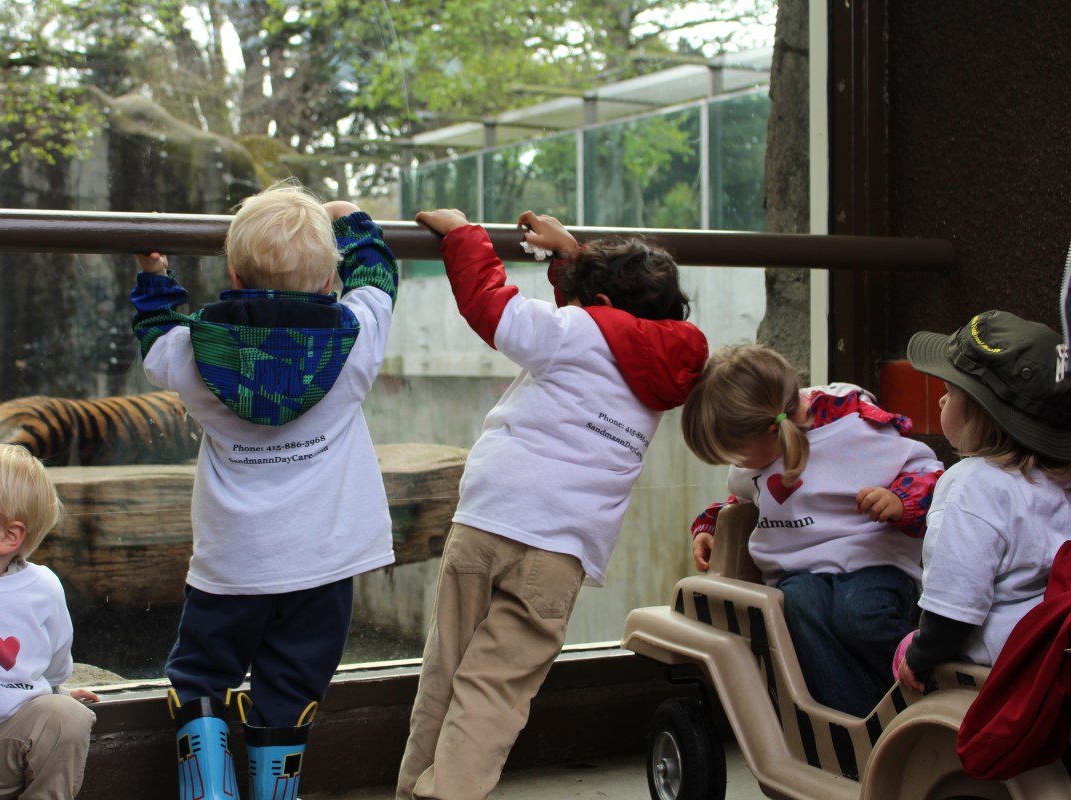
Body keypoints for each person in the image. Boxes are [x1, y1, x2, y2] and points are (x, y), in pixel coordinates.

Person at [396, 208, 709, 800]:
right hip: (561, 552)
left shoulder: (574, 332)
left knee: (446, 670)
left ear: (597, 302)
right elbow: (613, 328)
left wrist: (463, 235)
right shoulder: (668, 373)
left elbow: (492, 307)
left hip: (490, 518)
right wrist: (573, 258)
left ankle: (412, 788)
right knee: (494, 691)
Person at [129, 181, 398, 799]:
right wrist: (350, 219)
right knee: (294, 680)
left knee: (201, 673)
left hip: (233, 561)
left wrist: (154, 274)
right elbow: (377, 275)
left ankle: (208, 792)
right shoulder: (357, 339)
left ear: (233, 275)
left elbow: (156, 331)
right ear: (329, 282)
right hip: (324, 560)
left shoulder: (193, 352)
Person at [680, 343, 944, 717]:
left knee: (859, 617)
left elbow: (930, 474)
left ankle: (925, 690)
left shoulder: (854, 432)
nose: (736, 464)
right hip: (801, 571)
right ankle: (861, 721)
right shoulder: (759, 456)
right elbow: (746, 498)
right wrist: (709, 526)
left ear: (771, 432)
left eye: (737, 454)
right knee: (796, 608)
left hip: (872, 560)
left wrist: (901, 501)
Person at [895, 310, 1071, 691]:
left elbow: (952, 608)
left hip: (993, 669)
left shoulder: (971, 486)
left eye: (950, 392)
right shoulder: (1059, 479)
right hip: (1049, 657)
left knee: (903, 650)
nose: (941, 401)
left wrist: (920, 657)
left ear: (982, 414)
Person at [0, 441, 99, 799]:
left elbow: (54, 661)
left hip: (13, 744)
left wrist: (53, 694)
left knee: (67, 716)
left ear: (9, 536)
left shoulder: (41, 587)